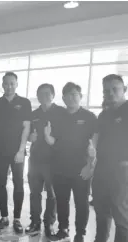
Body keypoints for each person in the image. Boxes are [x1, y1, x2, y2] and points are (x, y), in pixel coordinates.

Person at [47, 82, 97, 242]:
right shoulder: (58, 116)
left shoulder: (89, 117)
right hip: (60, 167)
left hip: (81, 168)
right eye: (68, 94)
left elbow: (94, 145)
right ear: (63, 98)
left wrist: (90, 166)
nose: (71, 97)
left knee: (81, 202)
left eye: (75, 94)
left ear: (80, 97)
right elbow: (54, 140)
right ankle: (63, 228)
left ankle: (80, 233)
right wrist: (47, 138)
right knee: (62, 201)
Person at [0, 72, 31, 233]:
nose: (9, 86)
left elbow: (26, 127)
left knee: (18, 183)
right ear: (2, 84)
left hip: (17, 150)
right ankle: (4, 217)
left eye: (12, 83)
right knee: (1, 183)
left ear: (16, 84)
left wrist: (21, 150)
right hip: (0, 149)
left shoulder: (24, 103)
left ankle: (17, 219)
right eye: (6, 83)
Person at [91, 74, 128, 242]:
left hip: (122, 171)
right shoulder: (104, 115)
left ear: (124, 90)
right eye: (107, 90)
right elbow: (96, 141)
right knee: (101, 209)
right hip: (102, 170)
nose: (111, 93)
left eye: (115, 89)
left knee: (121, 214)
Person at [25, 84, 63, 236]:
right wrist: (30, 138)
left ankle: (49, 223)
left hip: (54, 161)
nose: (44, 96)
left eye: (47, 94)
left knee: (52, 195)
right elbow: (27, 134)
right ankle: (35, 222)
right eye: (41, 94)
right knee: (35, 193)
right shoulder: (34, 114)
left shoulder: (61, 113)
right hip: (35, 159)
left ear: (53, 95)